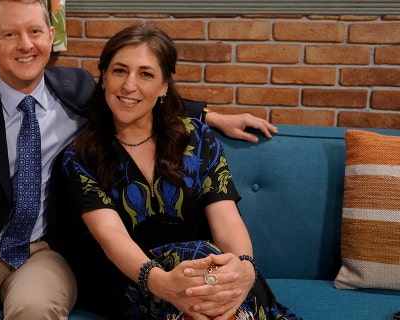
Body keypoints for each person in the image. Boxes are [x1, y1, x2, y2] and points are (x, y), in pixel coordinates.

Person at [0, 1, 279, 319]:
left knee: (35, 309)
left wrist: (214, 116)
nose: (25, 44)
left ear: (51, 36)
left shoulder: (77, 87)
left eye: (35, 31)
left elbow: (140, 95)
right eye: (10, 34)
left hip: (43, 252)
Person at [60, 24, 300, 320]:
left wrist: (245, 269)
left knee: (213, 264)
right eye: (119, 71)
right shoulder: (81, 154)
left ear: (163, 87)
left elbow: (226, 220)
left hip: (202, 271)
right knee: (203, 264)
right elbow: (112, 236)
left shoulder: (196, 138)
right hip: (129, 280)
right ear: (104, 77)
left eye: (146, 74)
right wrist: (164, 283)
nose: (129, 86)